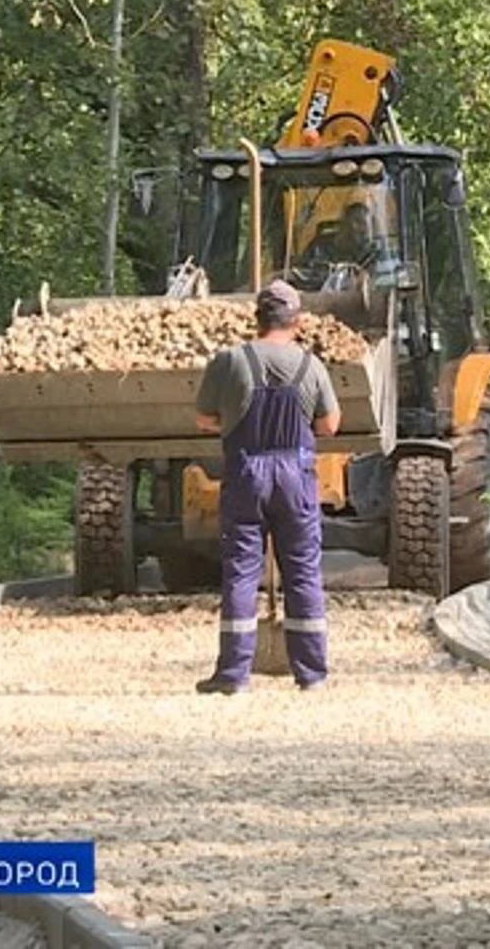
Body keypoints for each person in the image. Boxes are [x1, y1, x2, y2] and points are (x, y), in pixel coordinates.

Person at [192, 280, 342, 694]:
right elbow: (330, 425)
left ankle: (233, 676)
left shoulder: (229, 361)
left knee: (241, 572)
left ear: (257, 318)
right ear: (296, 320)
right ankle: (311, 675)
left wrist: (232, 422)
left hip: (246, 473)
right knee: (303, 573)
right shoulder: (311, 366)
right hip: (295, 475)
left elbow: (203, 420)